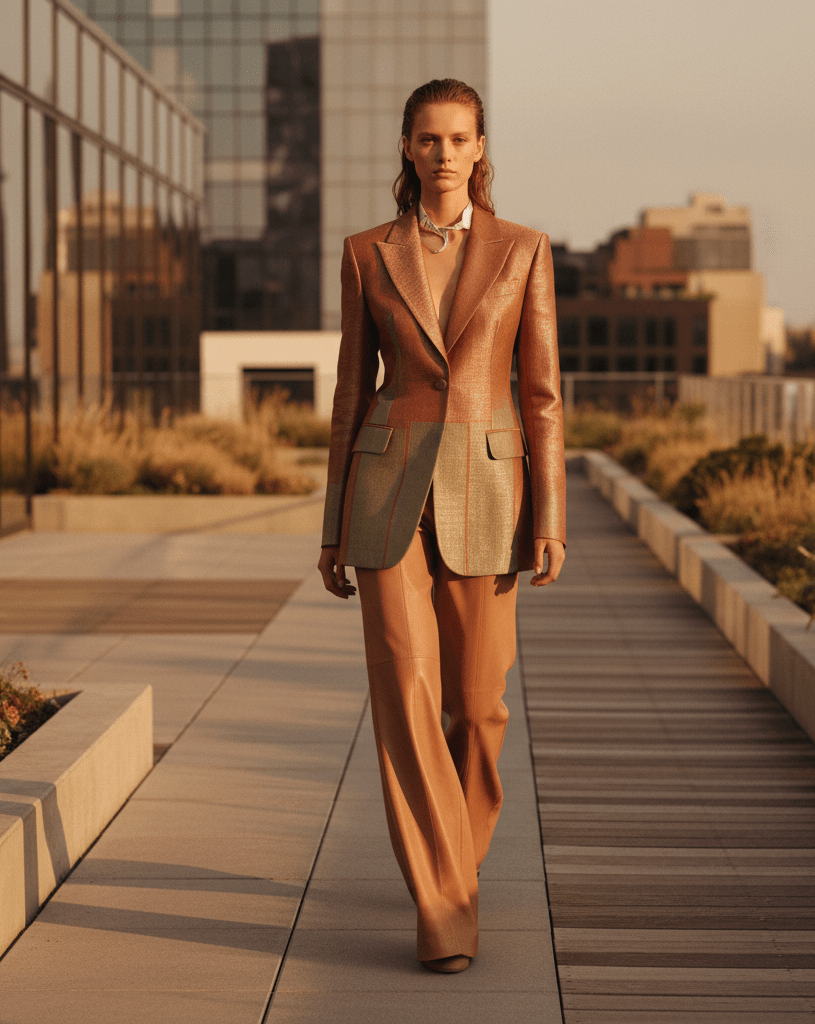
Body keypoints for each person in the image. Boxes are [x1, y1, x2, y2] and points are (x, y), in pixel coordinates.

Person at [318, 78, 566, 974]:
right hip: (384, 495)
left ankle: (451, 858)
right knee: (406, 694)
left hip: (492, 498)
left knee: (479, 705)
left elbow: (540, 395)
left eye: (459, 139)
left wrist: (552, 515)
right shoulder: (366, 253)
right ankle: (445, 907)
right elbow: (351, 394)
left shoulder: (525, 250)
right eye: (429, 139)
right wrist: (331, 526)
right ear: (408, 148)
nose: (445, 153)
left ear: (480, 146)